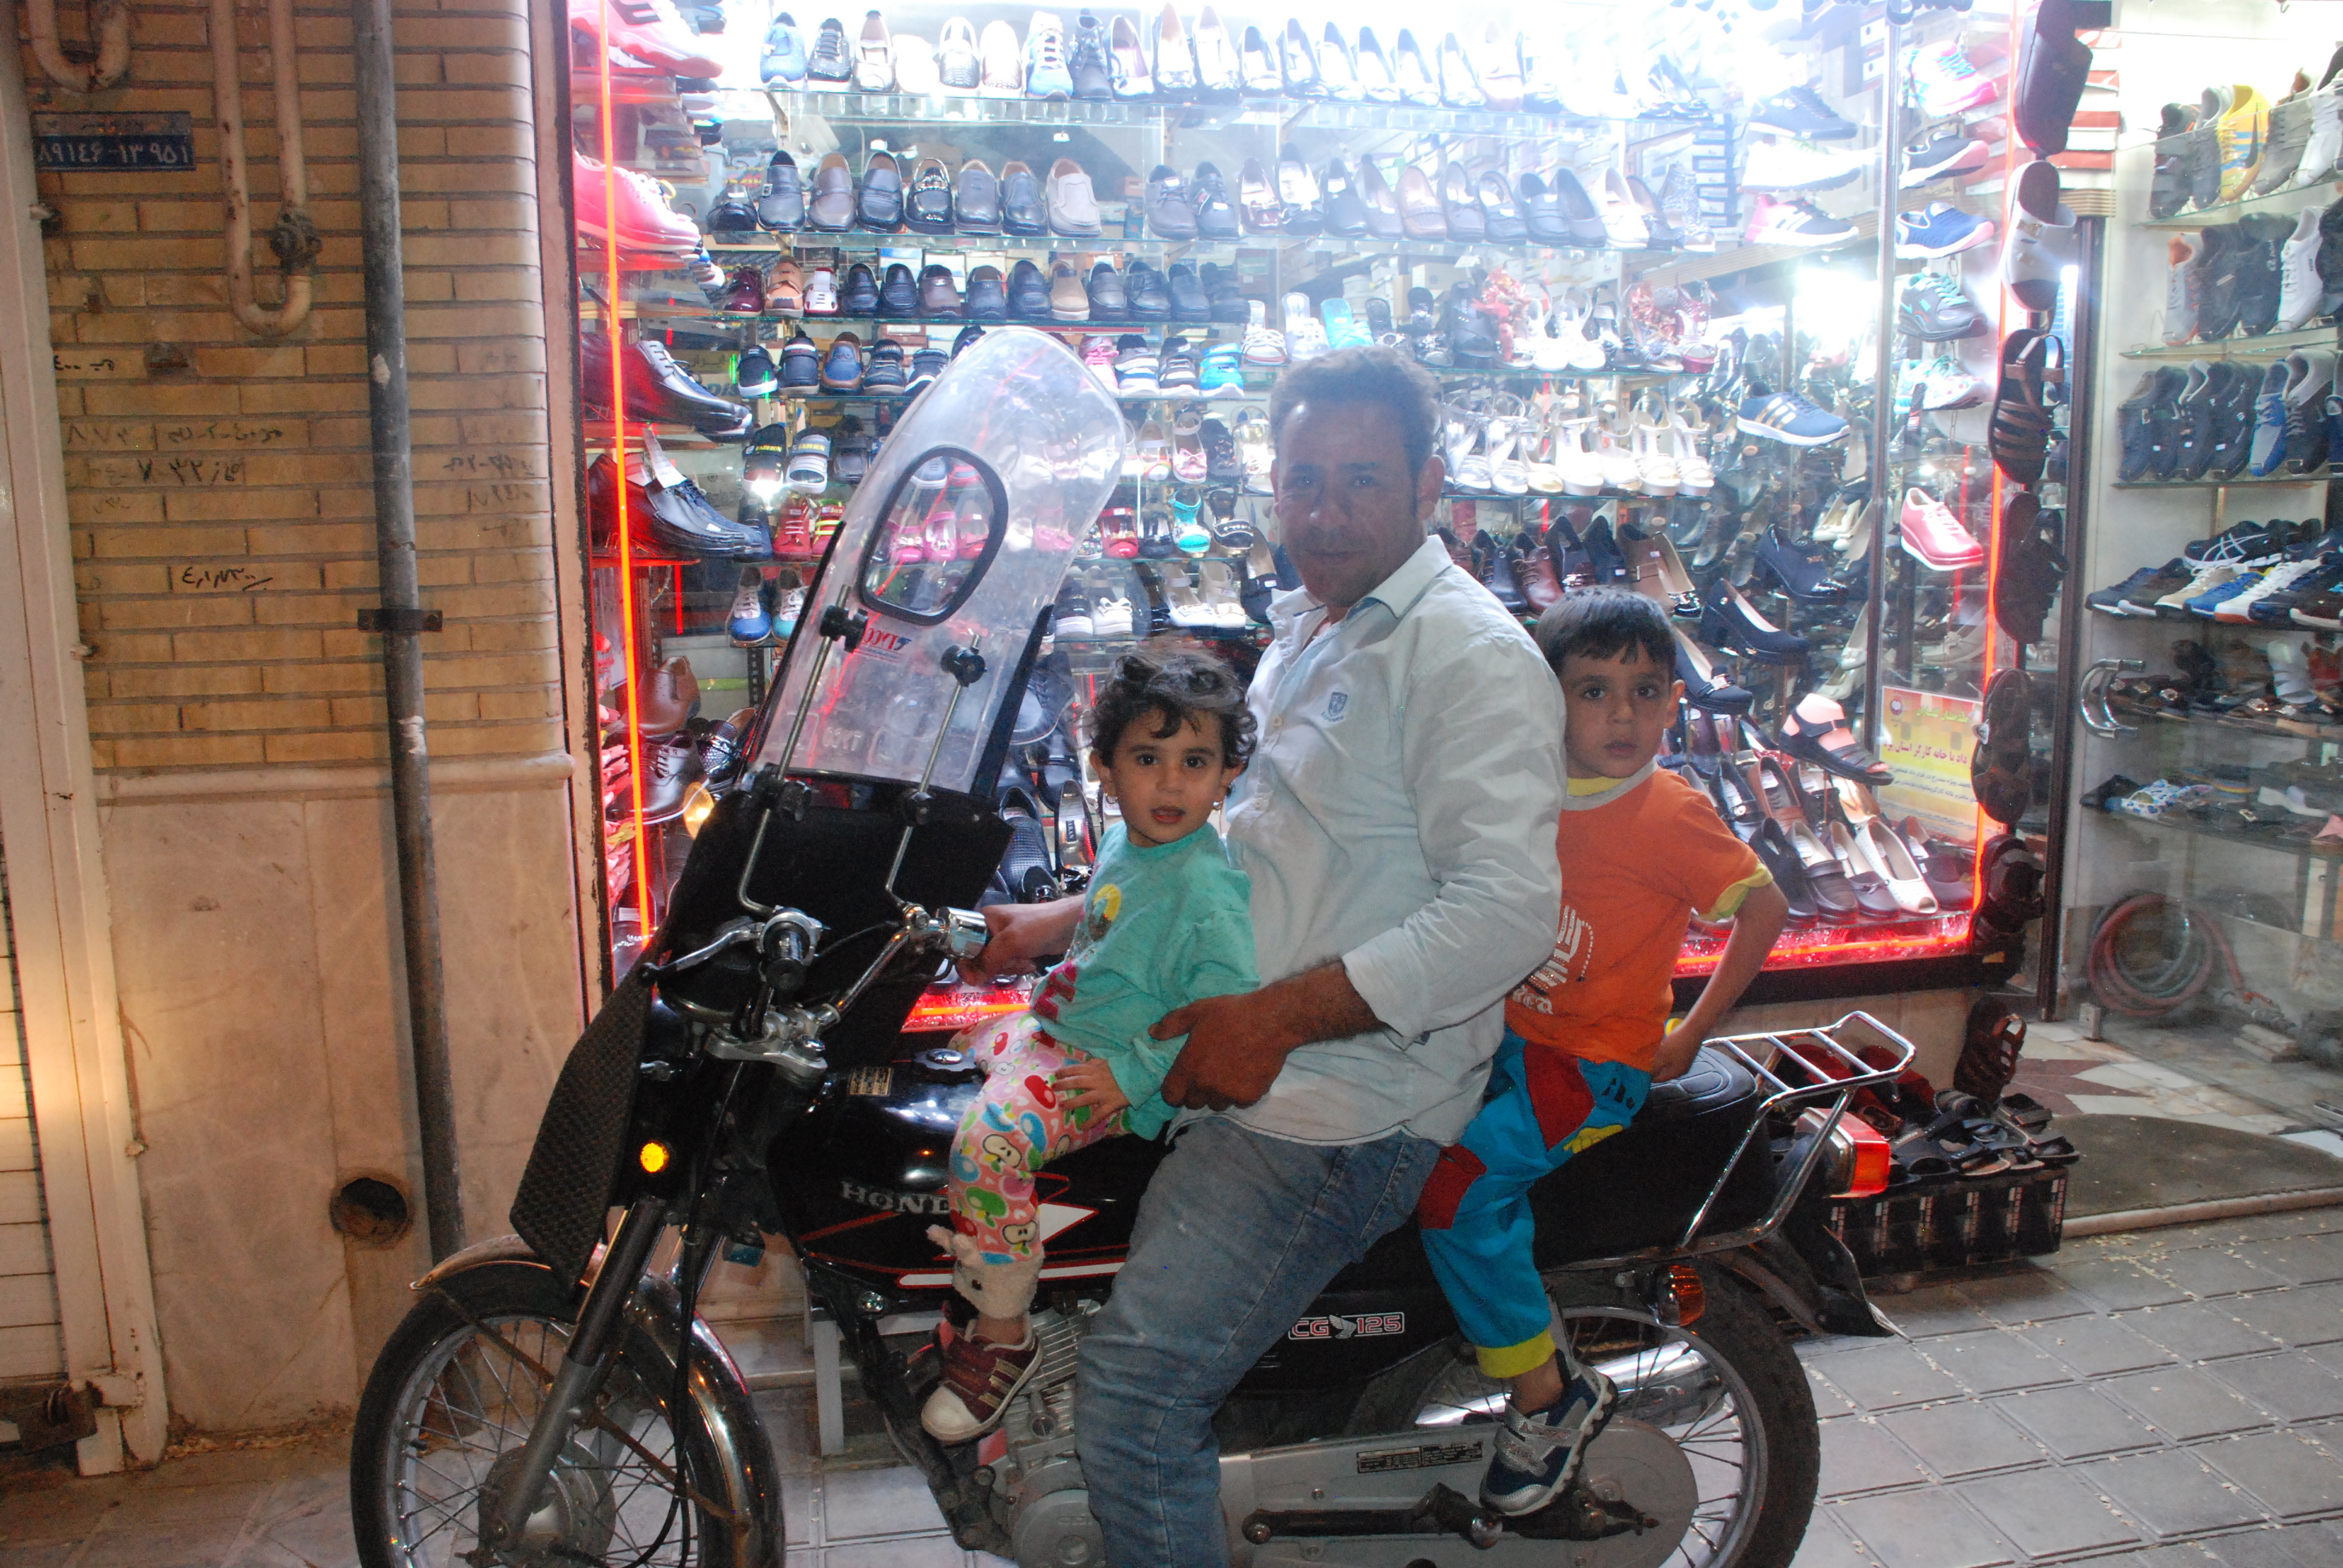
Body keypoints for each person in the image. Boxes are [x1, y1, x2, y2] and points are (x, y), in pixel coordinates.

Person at [975, 345, 1566, 1564]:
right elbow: (1244, 852)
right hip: (1227, 1050)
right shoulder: (1317, 627)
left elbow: (1506, 910)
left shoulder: (1465, 654)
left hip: (1335, 1107)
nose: (1325, 512)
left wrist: (1273, 1021)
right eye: (1304, 481)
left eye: (1362, 481)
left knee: (1133, 1399)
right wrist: (1068, 917)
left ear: (1430, 487)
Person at [1416, 587, 1791, 1518]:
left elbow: (1765, 907)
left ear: (1674, 703)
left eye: (1645, 691)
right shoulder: (1529, 785)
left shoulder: (1666, 811)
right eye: (1594, 691)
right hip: (1510, 1038)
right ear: (1548, 699)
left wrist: (1691, 1033)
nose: (1622, 715)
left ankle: (1549, 1398)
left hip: (1593, 1068)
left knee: (1458, 1200)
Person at [920, 645, 1258, 1443]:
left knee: (986, 1145)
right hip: (1060, 1031)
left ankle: (1004, 1331)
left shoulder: (1206, 890)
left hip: (1098, 1070)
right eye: (1147, 759)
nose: (1170, 785)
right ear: (1103, 769)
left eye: (1195, 762)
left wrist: (1134, 1076)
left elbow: (1228, 1010)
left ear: (1228, 776)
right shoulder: (1131, 847)